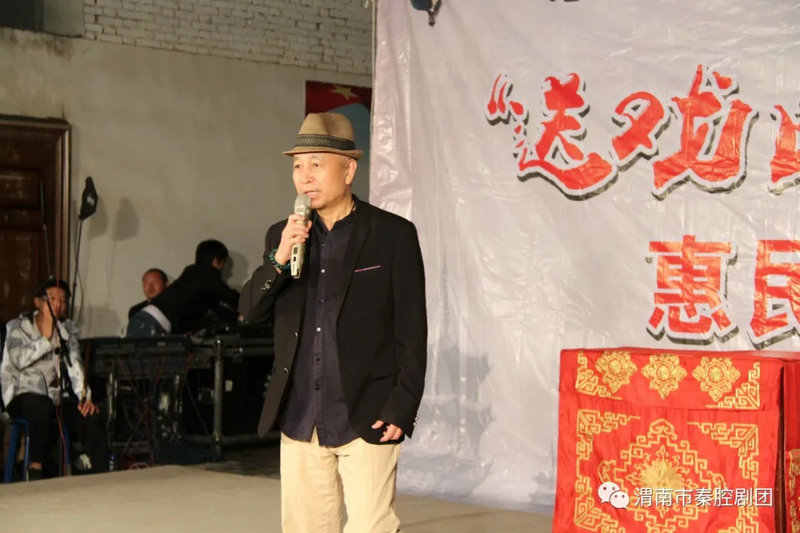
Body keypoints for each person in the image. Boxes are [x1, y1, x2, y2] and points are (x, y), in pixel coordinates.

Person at [240, 112, 428, 532]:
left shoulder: (392, 235)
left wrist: (402, 405)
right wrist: (278, 259)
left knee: (372, 527)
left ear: (348, 170)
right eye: (297, 166)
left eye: (316, 164)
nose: (304, 176)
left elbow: (412, 330)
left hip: (367, 412)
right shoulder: (283, 234)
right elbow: (250, 311)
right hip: (301, 416)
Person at [1, 277, 109, 480]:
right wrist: (46, 338)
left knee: (91, 415)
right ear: (38, 302)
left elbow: (75, 367)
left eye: (63, 300)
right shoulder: (17, 327)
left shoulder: (67, 330)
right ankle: (35, 469)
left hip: (54, 398)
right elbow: (18, 359)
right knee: (41, 406)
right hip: (20, 395)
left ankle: (102, 476)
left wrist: (84, 398)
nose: (58, 304)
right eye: (52, 298)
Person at [127, 239, 239, 336]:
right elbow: (226, 295)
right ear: (215, 261)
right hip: (154, 323)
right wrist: (244, 307)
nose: (224, 268)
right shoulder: (208, 273)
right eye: (224, 263)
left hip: (144, 318)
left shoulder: (192, 274)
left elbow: (214, 302)